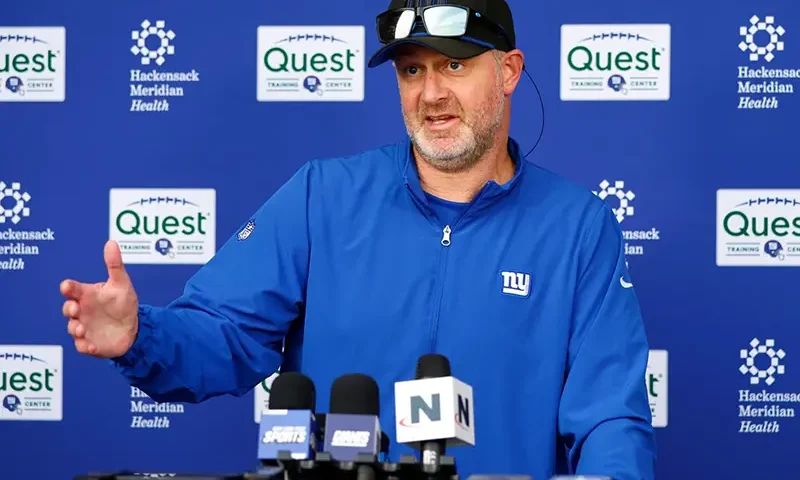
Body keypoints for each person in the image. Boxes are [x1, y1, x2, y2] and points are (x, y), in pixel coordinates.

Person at [59, 0, 656, 478]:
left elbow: (611, 419)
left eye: (454, 65)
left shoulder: (579, 226)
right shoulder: (322, 195)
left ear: (508, 71)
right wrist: (141, 335)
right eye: (412, 69)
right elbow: (224, 335)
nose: (431, 93)